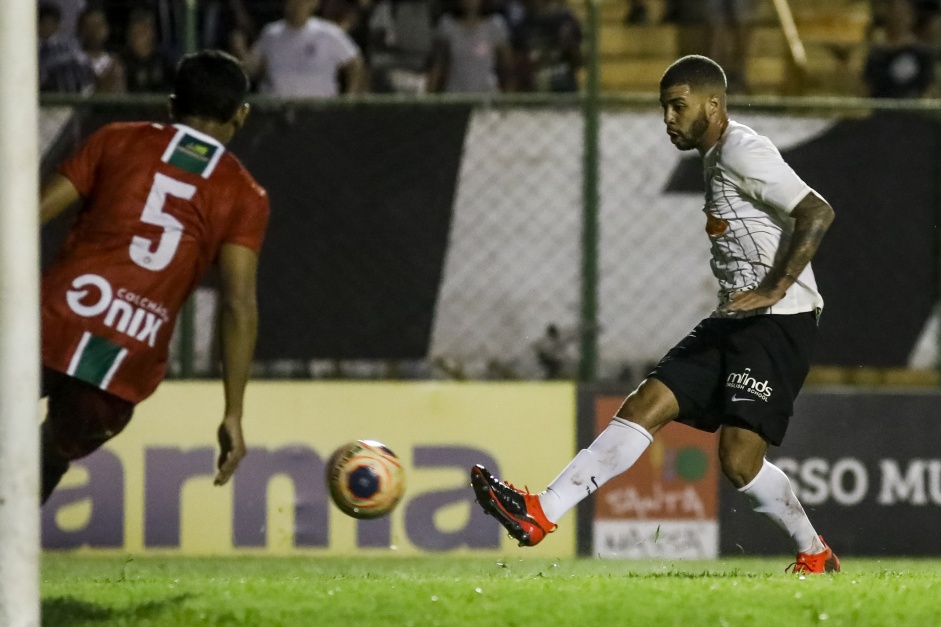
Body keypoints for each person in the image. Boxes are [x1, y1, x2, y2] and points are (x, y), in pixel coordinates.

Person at [471, 55, 840, 575]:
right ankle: (540, 513)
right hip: (735, 318)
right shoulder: (714, 156)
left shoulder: (742, 150)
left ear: (712, 105)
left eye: (678, 105)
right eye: (664, 106)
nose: (668, 117)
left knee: (738, 462)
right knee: (647, 402)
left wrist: (777, 286)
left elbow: (817, 211)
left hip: (779, 321)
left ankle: (815, 552)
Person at [39, 50, 269, 502]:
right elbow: (238, 304)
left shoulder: (116, 139)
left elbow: (30, 215)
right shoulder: (244, 194)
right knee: (47, 455)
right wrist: (233, 413)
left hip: (53, 320)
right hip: (123, 357)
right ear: (240, 116)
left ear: (170, 105)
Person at [233, 0, 366, 96]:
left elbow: (354, 62)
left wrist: (350, 97)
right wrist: (241, 52)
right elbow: (253, 69)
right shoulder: (271, 34)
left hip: (320, 112)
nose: (297, 5)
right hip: (278, 113)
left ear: (314, 4)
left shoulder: (328, 33)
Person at [426, 0, 514, 93]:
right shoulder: (447, 24)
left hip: (486, 95)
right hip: (456, 95)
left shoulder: (495, 25)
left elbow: (507, 66)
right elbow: (438, 65)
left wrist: (510, 98)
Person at [864, 0, 936, 98]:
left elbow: (928, 87)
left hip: (912, 111)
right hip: (881, 110)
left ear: (911, 16)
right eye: (893, 12)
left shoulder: (923, 53)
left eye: (902, 12)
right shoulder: (876, 53)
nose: (897, 17)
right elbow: (867, 87)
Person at [121, 9, 176, 93]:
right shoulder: (123, 62)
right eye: (135, 33)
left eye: (142, 32)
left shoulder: (165, 61)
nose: (138, 38)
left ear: (152, 33)